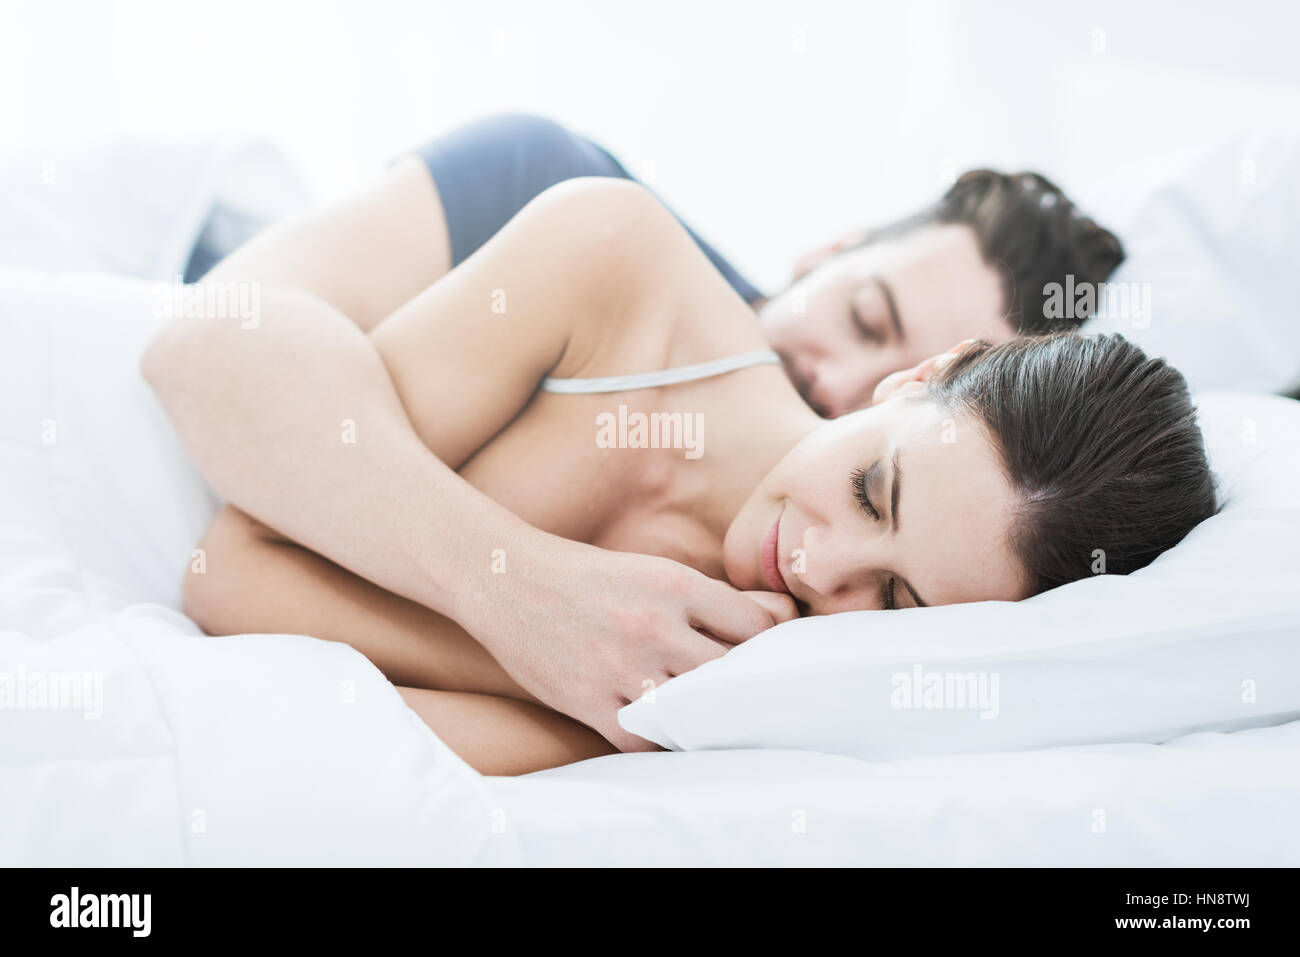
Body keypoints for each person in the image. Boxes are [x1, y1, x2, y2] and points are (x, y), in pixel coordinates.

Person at [143, 174, 1215, 775]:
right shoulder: (615, 265)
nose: (814, 563)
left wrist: (591, 688)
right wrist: (521, 597)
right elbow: (226, 557)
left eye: (893, 597)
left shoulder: (743, 685)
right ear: (917, 378)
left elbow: (268, 655)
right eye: (868, 490)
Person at [184, 113, 1126, 417]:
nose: (838, 387)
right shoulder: (544, 182)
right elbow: (227, 323)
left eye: (903, 391)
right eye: (864, 318)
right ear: (827, 252)